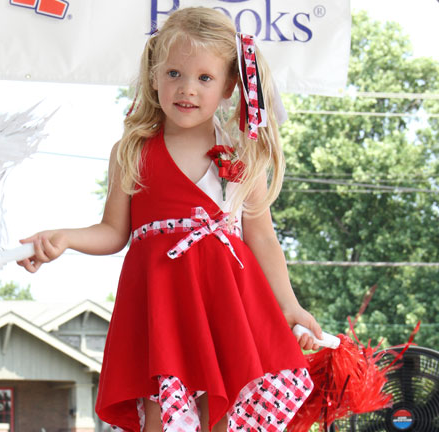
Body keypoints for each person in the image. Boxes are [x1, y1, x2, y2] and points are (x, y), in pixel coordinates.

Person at [18, 7, 323, 432]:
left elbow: (263, 239)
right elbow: (113, 232)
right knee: (162, 416)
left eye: (204, 78)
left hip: (227, 306)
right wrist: (65, 238)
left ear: (230, 85)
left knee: (225, 409)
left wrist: (289, 306)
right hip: (162, 306)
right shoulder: (132, 150)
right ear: (154, 76)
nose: (187, 89)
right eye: (174, 73)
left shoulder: (241, 154)